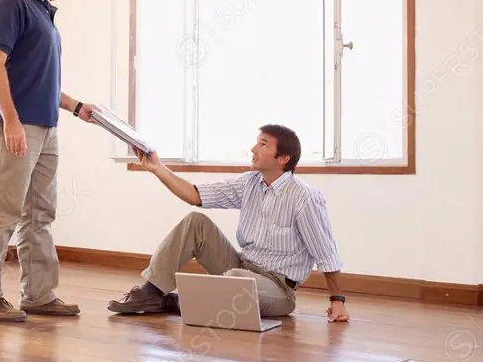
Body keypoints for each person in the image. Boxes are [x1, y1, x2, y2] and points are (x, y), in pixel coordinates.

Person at [0, 0, 97, 323]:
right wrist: (10, 121)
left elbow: (39, 79)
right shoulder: (13, 2)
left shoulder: (44, 14)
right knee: (3, 212)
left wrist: (75, 107)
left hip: (47, 125)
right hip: (18, 125)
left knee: (40, 212)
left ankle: (39, 294)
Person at [108, 124, 351, 323]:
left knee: (236, 278)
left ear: (283, 158)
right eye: (257, 141)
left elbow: (326, 252)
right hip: (241, 265)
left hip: (278, 287)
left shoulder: (304, 197)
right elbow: (195, 195)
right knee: (196, 223)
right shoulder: (250, 183)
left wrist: (337, 301)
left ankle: (176, 301)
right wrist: (156, 168)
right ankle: (151, 293)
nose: (253, 148)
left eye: (263, 144)